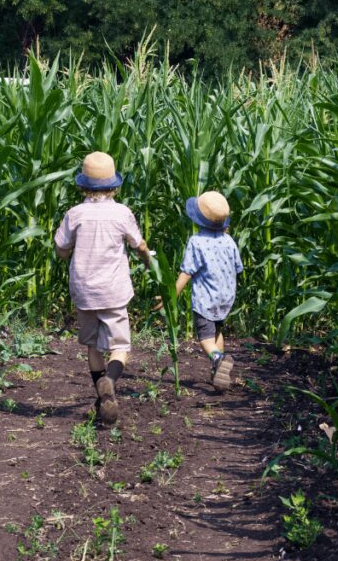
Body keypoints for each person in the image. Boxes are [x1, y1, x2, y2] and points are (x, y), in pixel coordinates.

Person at [54, 152, 150, 425]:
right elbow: (138, 244)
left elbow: (61, 250)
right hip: (114, 290)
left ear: (83, 185)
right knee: (120, 346)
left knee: (93, 346)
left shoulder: (75, 214)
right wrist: (146, 258)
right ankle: (110, 380)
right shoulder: (122, 213)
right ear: (114, 185)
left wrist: (70, 248)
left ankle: (100, 395)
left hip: (84, 291)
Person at [162, 191, 243, 391]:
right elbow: (238, 268)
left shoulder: (196, 242)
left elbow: (186, 272)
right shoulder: (229, 241)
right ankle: (218, 375)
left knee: (205, 338)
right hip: (225, 297)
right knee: (217, 331)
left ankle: (218, 359)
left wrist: (172, 295)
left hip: (206, 299)